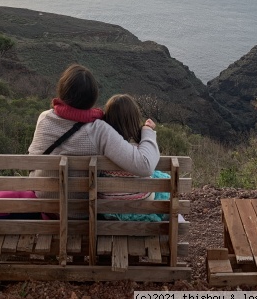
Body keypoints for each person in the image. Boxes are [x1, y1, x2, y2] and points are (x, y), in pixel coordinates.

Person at [28, 64, 160, 201]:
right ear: (93, 97)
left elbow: (33, 157)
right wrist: (148, 131)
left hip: (42, 201)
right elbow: (144, 165)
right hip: (80, 211)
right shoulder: (98, 130)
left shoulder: (44, 118)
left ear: (62, 91)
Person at [100, 94, 170, 221]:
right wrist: (147, 130)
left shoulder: (103, 147)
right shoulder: (141, 147)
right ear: (134, 119)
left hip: (108, 205)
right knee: (164, 181)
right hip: (143, 200)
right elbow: (150, 161)